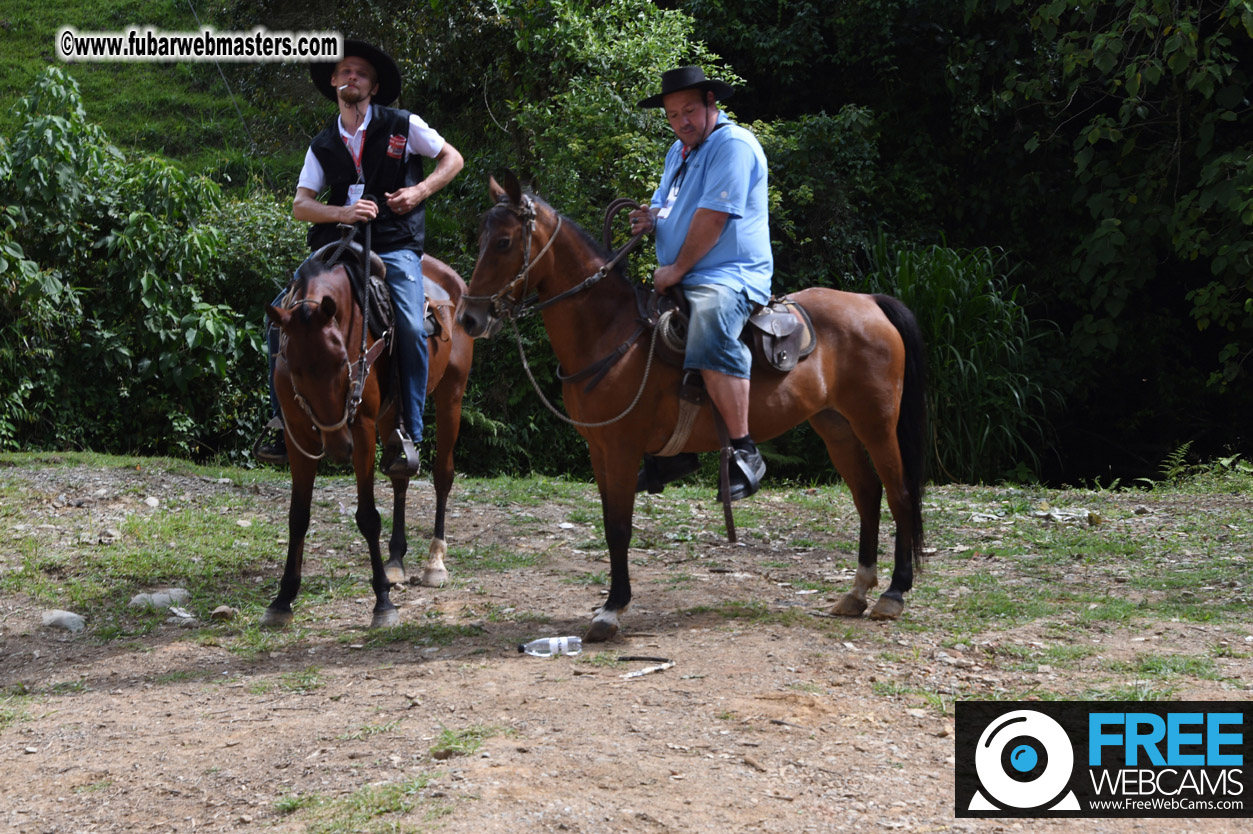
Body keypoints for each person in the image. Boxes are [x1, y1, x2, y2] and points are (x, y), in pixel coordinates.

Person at [255, 40, 464, 476]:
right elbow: (301, 206)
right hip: (336, 249)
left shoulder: (404, 124)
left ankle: (407, 431)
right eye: (345, 71)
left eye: (362, 73)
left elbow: (453, 158)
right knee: (278, 320)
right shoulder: (322, 144)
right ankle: (279, 423)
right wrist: (343, 213)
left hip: (394, 243)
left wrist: (420, 191)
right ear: (334, 81)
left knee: (411, 324)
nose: (353, 77)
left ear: (374, 86)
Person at [628, 66, 772, 500]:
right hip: (685, 275)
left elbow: (713, 218)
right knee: (635, 332)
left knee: (709, 325)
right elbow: (666, 205)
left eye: (688, 111)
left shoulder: (733, 145)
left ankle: (745, 451)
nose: (681, 122)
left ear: (712, 102)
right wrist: (651, 219)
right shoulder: (679, 152)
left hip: (729, 274)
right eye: (673, 115)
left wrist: (674, 271)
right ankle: (673, 452)